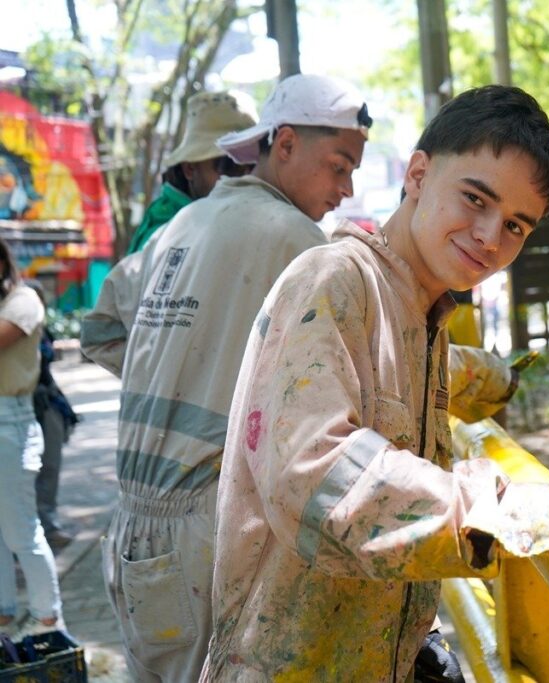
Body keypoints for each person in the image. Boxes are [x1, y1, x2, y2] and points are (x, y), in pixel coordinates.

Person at [81, 74, 518, 682]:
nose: (346, 189)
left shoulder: (175, 230)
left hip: (131, 525)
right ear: (284, 144)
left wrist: (188, 369)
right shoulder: (301, 246)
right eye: (339, 166)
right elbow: (351, 399)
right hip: (205, 521)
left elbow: (99, 329)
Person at [201, 85, 549, 681]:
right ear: (417, 173)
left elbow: (393, 495)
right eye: (475, 198)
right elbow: (317, 479)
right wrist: (529, 511)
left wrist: (412, 638)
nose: (490, 236)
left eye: (516, 225)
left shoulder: (425, 313)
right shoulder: (334, 281)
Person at [0, 238, 65, 639]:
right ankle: (4, 616)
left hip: (10, 422)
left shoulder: (24, 300)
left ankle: (47, 620)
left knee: (21, 531)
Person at [125, 91, 256, 254]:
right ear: (190, 169)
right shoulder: (162, 237)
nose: (245, 178)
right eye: (229, 166)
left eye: (252, 164)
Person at [22, 280, 79, 550]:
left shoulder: (42, 330)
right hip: (20, 409)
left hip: (47, 405)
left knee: (50, 467)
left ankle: (48, 525)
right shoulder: (13, 329)